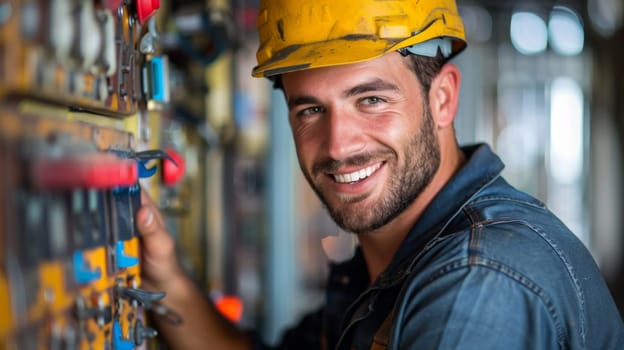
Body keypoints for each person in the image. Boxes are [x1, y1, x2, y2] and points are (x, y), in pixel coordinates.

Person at [136, 0, 624, 349]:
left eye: (371, 99)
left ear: (443, 99)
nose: (338, 145)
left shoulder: (477, 287)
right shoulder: (386, 266)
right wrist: (168, 278)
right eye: (310, 110)